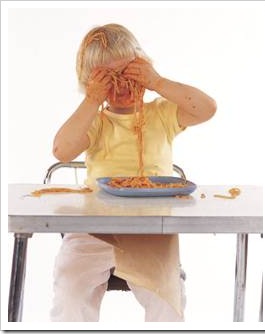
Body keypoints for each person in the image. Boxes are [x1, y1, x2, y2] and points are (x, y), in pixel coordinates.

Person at [51, 23, 216, 322]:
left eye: (129, 75)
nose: (123, 87)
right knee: (70, 291)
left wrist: (159, 82)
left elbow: (207, 109)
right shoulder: (97, 121)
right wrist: (90, 101)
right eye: (109, 80)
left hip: (151, 230)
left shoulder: (162, 114)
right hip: (93, 229)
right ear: (92, 85)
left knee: (168, 301)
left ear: (144, 68)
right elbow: (62, 151)